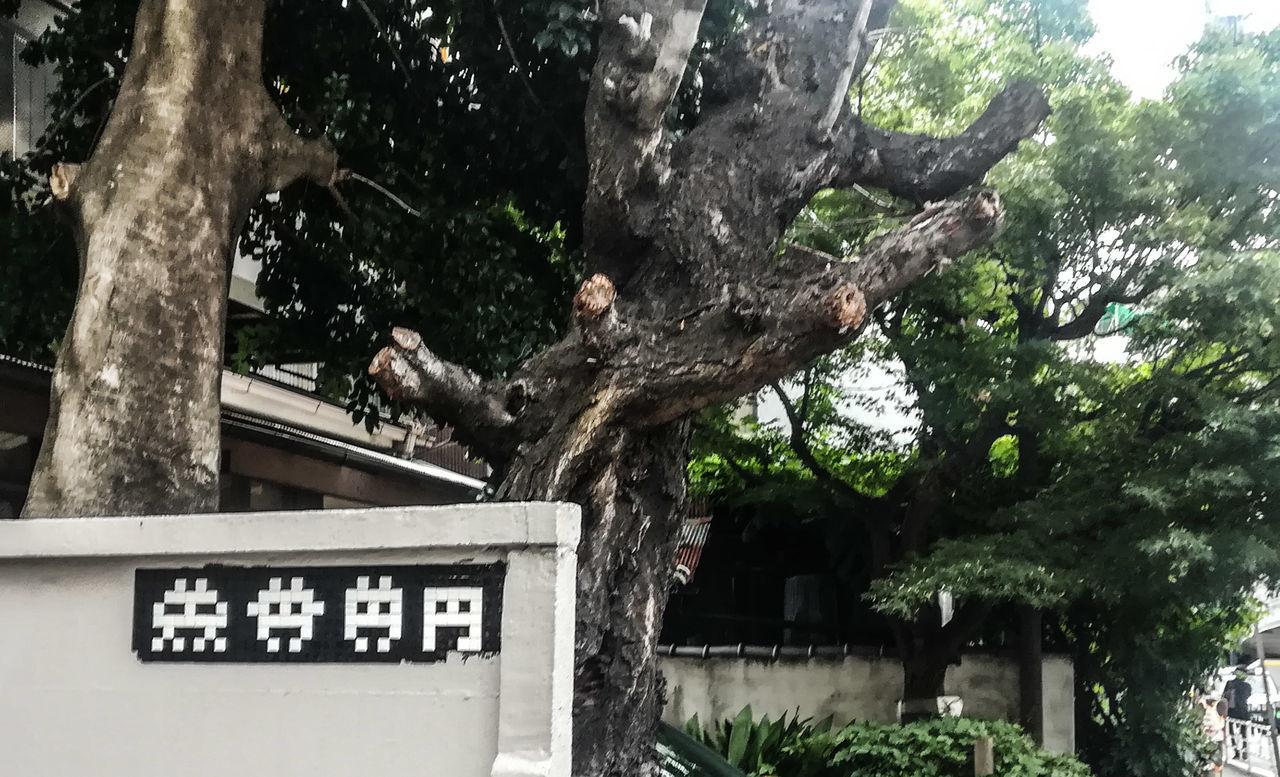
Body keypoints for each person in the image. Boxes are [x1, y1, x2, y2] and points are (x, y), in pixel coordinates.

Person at [1224, 668, 1253, 759]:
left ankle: (1236, 751)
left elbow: (1224, 696)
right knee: (1243, 732)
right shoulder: (1246, 686)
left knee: (1232, 732)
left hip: (1232, 710)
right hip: (1242, 710)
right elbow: (1248, 695)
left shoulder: (1230, 684)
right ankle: (1244, 752)